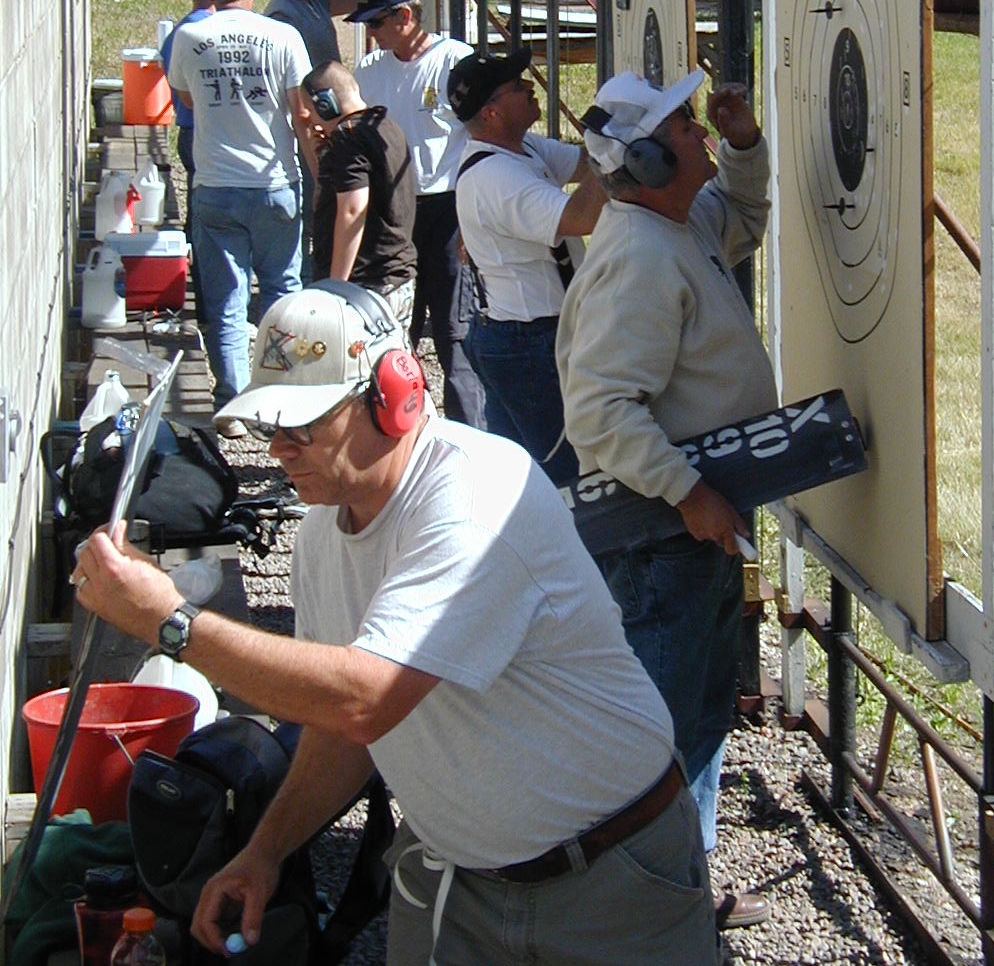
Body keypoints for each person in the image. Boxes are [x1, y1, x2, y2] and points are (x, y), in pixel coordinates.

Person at [69, 284, 721, 966]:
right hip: (460, 880)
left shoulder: (477, 496)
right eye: (270, 426)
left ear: (394, 395)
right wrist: (266, 851)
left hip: (611, 880)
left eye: (304, 423)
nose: (282, 448)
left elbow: (365, 699)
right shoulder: (323, 535)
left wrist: (171, 621)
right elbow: (339, 728)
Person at [557, 70, 777, 931]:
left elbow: (743, 213)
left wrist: (743, 143)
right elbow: (601, 410)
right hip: (665, 530)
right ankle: (642, 910)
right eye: (685, 129)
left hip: (689, 523)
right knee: (662, 728)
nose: (699, 135)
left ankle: (681, 890)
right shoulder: (643, 257)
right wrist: (689, 494)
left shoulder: (673, 224)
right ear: (646, 162)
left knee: (696, 713)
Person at [166, 0, 313, 425]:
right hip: (274, 182)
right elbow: (300, 111)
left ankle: (231, 401)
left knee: (227, 300)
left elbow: (186, 97)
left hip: (215, 184)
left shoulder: (189, 37)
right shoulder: (282, 36)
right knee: (281, 293)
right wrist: (318, 173)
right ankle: (278, 396)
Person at [447, 48, 606, 482]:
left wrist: (602, 154)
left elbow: (582, 165)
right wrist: (615, 149)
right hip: (530, 342)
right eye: (518, 87)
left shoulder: (521, 147)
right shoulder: (497, 177)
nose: (530, 88)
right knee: (567, 474)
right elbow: (582, 216)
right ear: (492, 113)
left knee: (525, 472)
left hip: (525, 335)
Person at [350, 0, 483, 425]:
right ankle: (399, 428)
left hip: (447, 209)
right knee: (391, 329)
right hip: (392, 213)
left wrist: (471, 218)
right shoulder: (369, 71)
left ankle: (468, 433)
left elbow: (480, 137)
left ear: (405, 17)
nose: (371, 33)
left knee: (454, 331)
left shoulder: (454, 62)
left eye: (376, 23)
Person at [263, 0, 359, 281]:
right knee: (312, 192)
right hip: (306, 115)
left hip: (329, 111)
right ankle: (304, 274)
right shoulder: (280, 15)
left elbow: (352, 0)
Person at [305, 60, 418, 333]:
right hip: (394, 275)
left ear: (326, 104)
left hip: (364, 284)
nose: (311, 121)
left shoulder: (349, 139)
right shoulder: (385, 126)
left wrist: (336, 286)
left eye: (311, 111)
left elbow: (352, 210)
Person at [161, 0, 214, 320]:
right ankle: (210, 302)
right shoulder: (205, 32)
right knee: (207, 219)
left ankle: (203, 297)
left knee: (197, 215)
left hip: (188, 130)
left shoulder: (179, 32)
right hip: (205, 133)